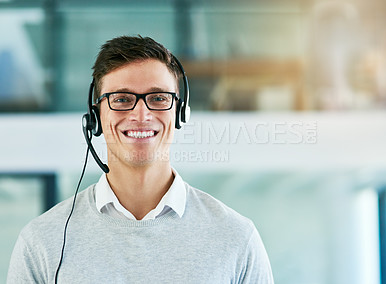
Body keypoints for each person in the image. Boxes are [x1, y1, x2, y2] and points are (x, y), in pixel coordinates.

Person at [7, 35, 274, 283]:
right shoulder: (41, 242)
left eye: (158, 98)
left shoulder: (236, 237)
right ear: (95, 116)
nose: (141, 114)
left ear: (180, 112)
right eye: (122, 99)